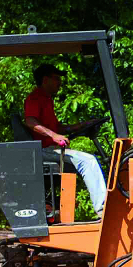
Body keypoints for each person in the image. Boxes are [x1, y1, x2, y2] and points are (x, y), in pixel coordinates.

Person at [23, 63, 108, 218]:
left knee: (86, 162)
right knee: (88, 161)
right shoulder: (35, 98)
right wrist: (53, 136)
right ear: (45, 79)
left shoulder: (47, 100)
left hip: (50, 149)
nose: (59, 82)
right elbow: (30, 122)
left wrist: (81, 126)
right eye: (56, 78)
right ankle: (104, 210)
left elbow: (58, 128)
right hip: (42, 151)